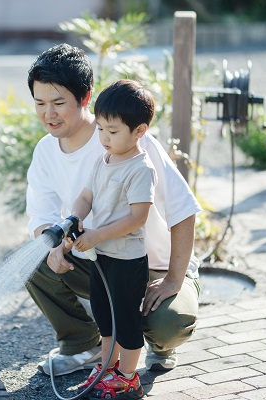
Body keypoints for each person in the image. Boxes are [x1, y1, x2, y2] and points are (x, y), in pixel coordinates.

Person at [25, 43, 202, 378]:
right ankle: (83, 346)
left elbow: (183, 208)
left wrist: (174, 279)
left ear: (85, 97)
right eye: (40, 103)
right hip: (99, 260)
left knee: (168, 323)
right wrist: (53, 249)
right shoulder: (46, 152)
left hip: (152, 266)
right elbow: (40, 215)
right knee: (35, 258)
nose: (49, 113)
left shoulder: (127, 140)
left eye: (59, 102)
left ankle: (162, 346)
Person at [66, 79, 157, 398]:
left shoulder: (139, 169)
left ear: (139, 131)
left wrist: (96, 235)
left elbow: (137, 217)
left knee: (126, 320)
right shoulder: (102, 160)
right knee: (105, 318)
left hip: (127, 262)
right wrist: (75, 217)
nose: (104, 137)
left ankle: (128, 376)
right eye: (101, 128)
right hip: (102, 257)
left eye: (113, 131)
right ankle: (106, 367)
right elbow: (86, 196)